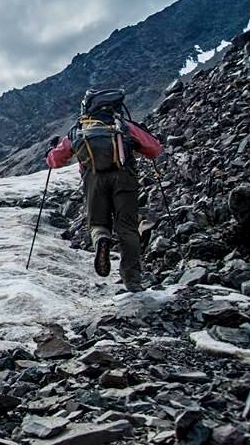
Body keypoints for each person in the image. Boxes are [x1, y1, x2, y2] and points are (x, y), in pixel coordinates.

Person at [46, 88, 163, 292]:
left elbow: (55, 160)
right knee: (127, 228)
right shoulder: (123, 126)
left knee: (98, 223)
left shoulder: (79, 129)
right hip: (125, 178)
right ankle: (132, 280)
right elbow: (154, 150)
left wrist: (50, 151)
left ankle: (101, 239)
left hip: (94, 179)